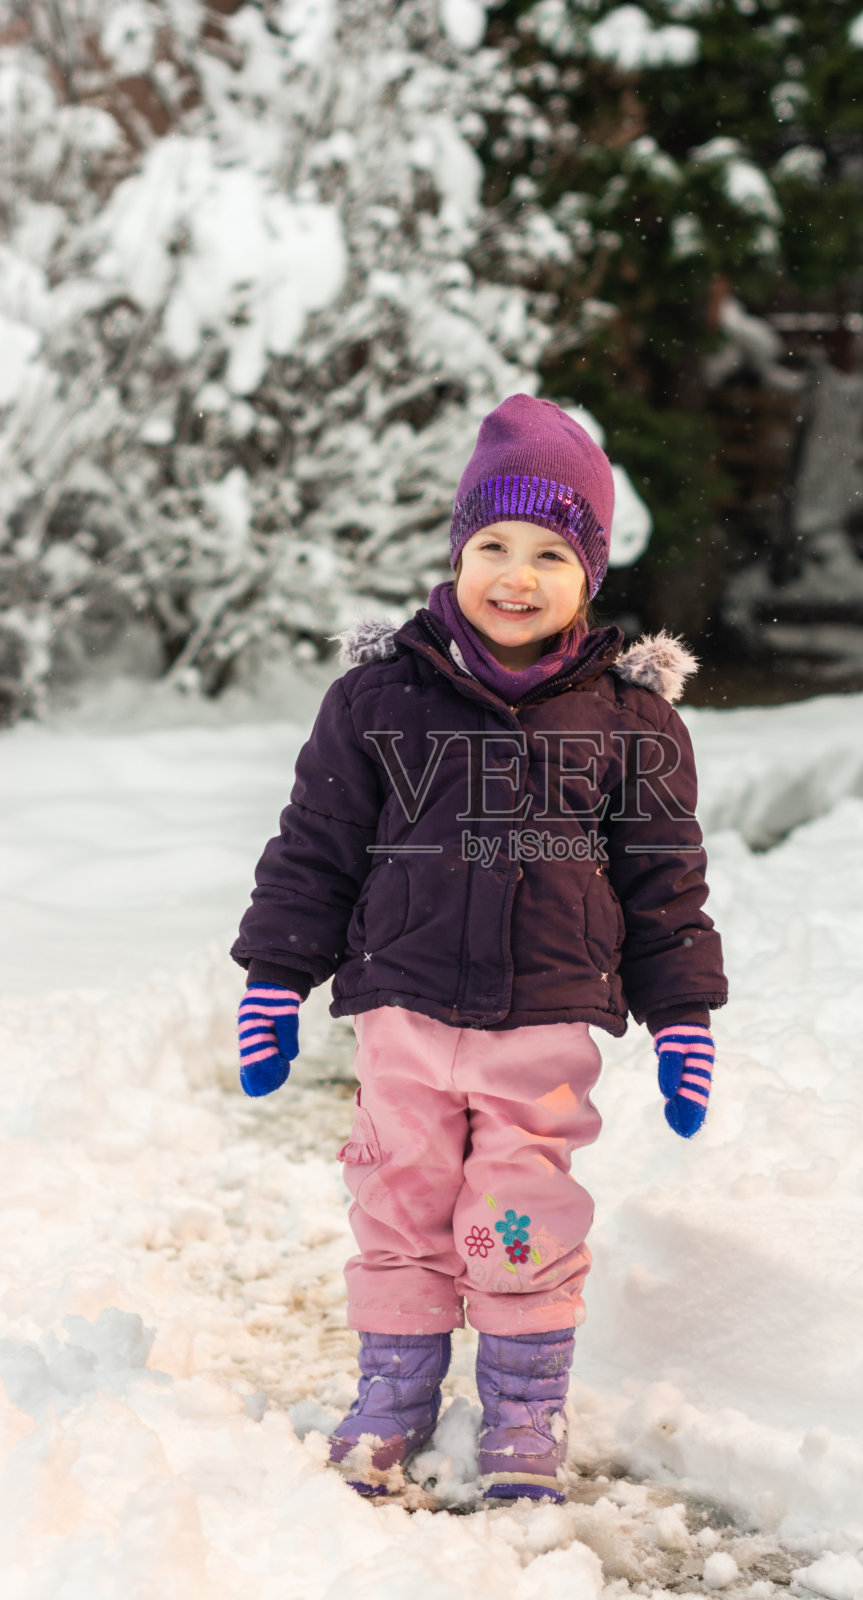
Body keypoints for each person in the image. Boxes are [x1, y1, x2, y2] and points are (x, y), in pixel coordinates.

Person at [231, 394, 727, 1502]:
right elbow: (315, 847)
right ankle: (393, 1396)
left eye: (550, 551)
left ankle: (519, 1413)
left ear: (588, 574)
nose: (515, 573)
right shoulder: (375, 699)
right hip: (403, 1011)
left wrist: (683, 1012)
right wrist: (274, 978)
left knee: (521, 1214)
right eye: (491, 544)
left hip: (545, 1024)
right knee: (397, 1201)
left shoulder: (629, 721)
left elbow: (662, 879)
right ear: (456, 551)